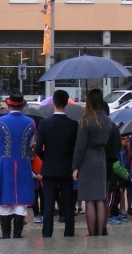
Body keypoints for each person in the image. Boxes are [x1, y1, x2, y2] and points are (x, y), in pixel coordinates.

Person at [0, 92, 37, 239]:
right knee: (20, 200)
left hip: (4, 165)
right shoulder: (30, 122)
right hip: (23, 164)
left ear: (8, 105)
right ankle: (17, 234)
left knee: (4, 199)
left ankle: (5, 234)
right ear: (22, 105)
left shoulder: (0, 122)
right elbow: (30, 144)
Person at [34, 89, 78, 238]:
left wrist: (47, 157)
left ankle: (47, 233)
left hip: (49, 168)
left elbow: (38, 148)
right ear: (67, 103)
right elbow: (75, 148)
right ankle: (69, 232)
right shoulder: (73, 124)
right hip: (67, 168)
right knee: (68, 203)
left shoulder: (45, 124)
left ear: (53, 102)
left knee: (48, 203)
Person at [71, 89, 112, 237]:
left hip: (88, 159)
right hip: (101, 158)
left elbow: (80, 146)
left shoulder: (85, 120)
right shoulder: (107, 120)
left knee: (89, 198)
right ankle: (100, 231)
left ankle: (91, 232)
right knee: (100, 198)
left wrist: (75, 167)